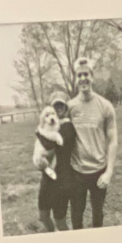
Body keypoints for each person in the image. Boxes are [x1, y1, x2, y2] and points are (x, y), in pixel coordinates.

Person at [66, 56, 117, 229]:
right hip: (77, 173)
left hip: (99, 172)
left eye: (86, 74)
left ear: (92, 76)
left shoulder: (106, 106)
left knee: (97, 215)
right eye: (79, 75)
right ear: (76, 79)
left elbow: (112, 140)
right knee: (76, 217)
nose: (82, 78)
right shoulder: (70, 107)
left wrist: (109, 172)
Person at [33, 92, 75, 232]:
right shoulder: (51, 126)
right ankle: (52, 239)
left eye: (61, 105)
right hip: (47, 177)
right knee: (43, 215)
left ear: (66, 107)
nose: (58, 109)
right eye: (55, 106)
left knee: (59, 220)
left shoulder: (68, 127)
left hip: (62, 181)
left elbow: (49, 145)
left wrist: (38, 132)